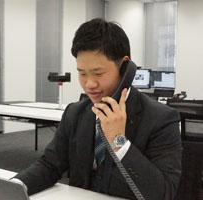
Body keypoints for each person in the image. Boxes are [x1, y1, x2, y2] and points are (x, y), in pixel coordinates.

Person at [13, 18, 182, 200]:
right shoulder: (75, 113)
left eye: (98, 73)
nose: (89, 84)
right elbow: (49, 165)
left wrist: (119, 142)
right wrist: (12, 188)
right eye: (82, 73)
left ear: (125, 67)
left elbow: (163, 194)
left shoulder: (161, 118)